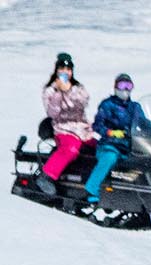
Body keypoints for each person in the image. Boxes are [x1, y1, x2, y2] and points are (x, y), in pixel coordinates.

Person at [87, 73, 151, 208]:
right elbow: (97, 125)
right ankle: (92, 188)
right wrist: (110, 132)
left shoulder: (135, 107)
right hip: (110, 145)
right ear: (115, 87)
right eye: (122, 86)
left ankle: (142, 195)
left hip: (130, 146)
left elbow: (143, 123)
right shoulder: (107, 105)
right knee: (110, 158)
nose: (125, 90)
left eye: (128, 86)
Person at [35, 53, 91, 198]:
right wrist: (59, 93)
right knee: (71, 148)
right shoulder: (50, 90)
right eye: (62, 69)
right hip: (63, 129)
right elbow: (52, 112)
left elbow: (82, 102)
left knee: (101, 145)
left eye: (68, 69)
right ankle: (47, 175)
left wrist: (69, 91)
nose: (65, 72)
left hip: (83, 129)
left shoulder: (78, 88)